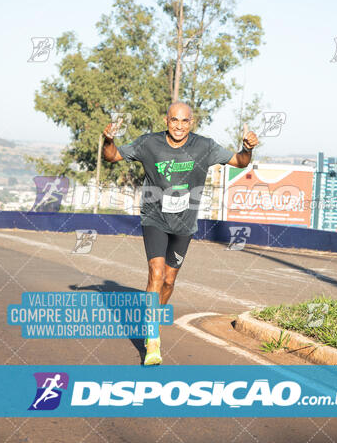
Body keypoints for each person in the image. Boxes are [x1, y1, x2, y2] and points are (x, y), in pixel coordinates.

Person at [102, 102, 258, 365]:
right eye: (174, 120)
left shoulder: (205, 147)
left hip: (185, 224)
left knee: (169, 282)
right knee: (157, 272)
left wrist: (248, 148)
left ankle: (153, 318)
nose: (179, 126)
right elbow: (112, 156)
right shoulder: (149, 144)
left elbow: (240, 162)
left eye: (184, 121)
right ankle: (152, 338)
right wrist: (107, 140)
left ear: (191, 122)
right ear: (166, 121)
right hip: (154, 217)